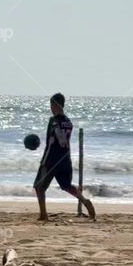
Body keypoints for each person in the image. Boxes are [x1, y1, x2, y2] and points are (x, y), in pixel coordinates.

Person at [33, 92, 95, 221]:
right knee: (66, 185)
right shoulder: (68, 122)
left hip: (51, 160)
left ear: (56, 105)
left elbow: (60, 138)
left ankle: (43, 214)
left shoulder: (53, 121)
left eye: (51, 105)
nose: (50, 107)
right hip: (65, 159)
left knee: (39, 187)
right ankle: (84, 201)